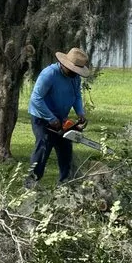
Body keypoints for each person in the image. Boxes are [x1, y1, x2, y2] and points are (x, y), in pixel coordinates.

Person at [25, 47, 91, 187]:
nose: (75, 73)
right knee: (43, 146)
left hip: (61, 117)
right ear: (64, 64)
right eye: (73, 70)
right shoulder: (49, 74)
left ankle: (65, 184)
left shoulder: (75, 78)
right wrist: (51, 118)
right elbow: (36, 99)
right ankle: (30, 184)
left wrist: (80, 112)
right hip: (42, 117)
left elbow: (76, 95)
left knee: (65, 149)